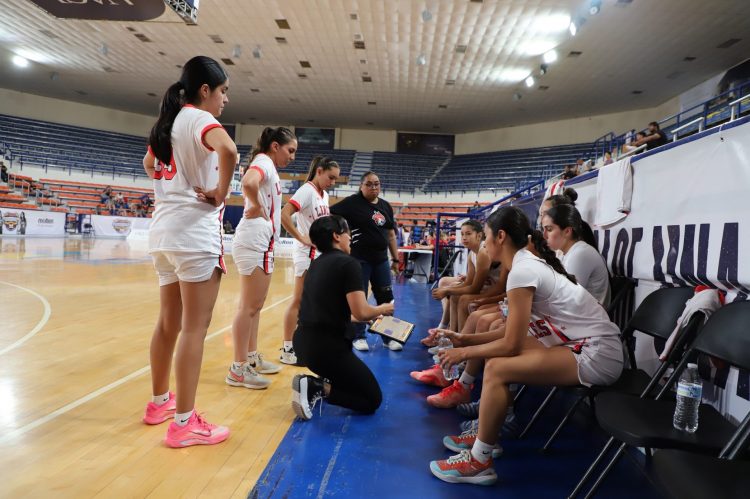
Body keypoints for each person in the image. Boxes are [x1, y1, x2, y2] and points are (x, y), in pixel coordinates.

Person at [429, 207, 623, 485]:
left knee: (498, 368)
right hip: (576, 341)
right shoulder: (524, 264)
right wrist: (465, 339)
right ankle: (487, 435)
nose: (483, 244)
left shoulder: (523, 271)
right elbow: (511, 332)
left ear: (501, 237)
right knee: (497, 362)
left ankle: (479, 460)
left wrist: (463, 352)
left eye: (485, 236)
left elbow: (510, 344)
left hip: (598, 351)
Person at [141, 55, 235, 448]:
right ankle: (184, 423)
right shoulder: (198, 118)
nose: (225, 99)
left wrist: (173, 190)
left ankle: (159, 402)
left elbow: (149, 164)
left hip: (162, 233)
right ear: (204, 89)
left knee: (168, 323)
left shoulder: (168, 120)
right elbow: (229, 150)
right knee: (195, 328)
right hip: (194, 234)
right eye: (223, 91)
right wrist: (220, 193)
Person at [291, 215, 395, 420]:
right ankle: (316, 386)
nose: (350, 238)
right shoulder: (349, 264)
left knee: (349, 382)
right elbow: (361, 311)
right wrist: (383, 308)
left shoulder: (316, 264)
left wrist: (364, 318)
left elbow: (329, 311)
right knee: (372, 399)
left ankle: (321, 382)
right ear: (336, 236)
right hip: (327, 349)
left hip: (303, 344)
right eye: (348, 233)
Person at [227, 126, 297, 388]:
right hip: (254, 241)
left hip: (261, 241)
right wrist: (256, 205)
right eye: (290, 150)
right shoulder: (264, 161)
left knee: (255, 306)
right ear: (275, 146)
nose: (292, 156)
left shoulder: (268, 165)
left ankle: (251, 358)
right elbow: (248, 182)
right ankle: (238, 369)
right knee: (248, 307)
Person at [279, 156, 340, 366]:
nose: (333, 182)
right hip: (306, 254)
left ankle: (307, 343)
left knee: (314, 302)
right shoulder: (306, 191)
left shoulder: (324, 195)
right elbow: (284, 214)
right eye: (331, 177)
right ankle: (287, 348)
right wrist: (301, 237)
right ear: (319, 171)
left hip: (319, 254)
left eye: (336, 179)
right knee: (298, 300)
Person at [330, 171, 400, 352]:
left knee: (386, 298)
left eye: (376, 183)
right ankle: (358, 336)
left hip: (381, 260)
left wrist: (396, 258)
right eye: (369, 184)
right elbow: (329, 214)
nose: (373, 187)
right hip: (359, 260)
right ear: (361, 186)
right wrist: (344, 234)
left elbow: (391, 235)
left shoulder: (385, 206)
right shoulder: (352, 203)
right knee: (358, 299)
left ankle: (388, 337)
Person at [542, 204, 611, 307]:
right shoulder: (562, 252)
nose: (544, 235)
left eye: (549, 229)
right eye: (543, 229)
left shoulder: (581, 254)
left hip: (587, 315)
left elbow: (565, 298)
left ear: (567, 231)